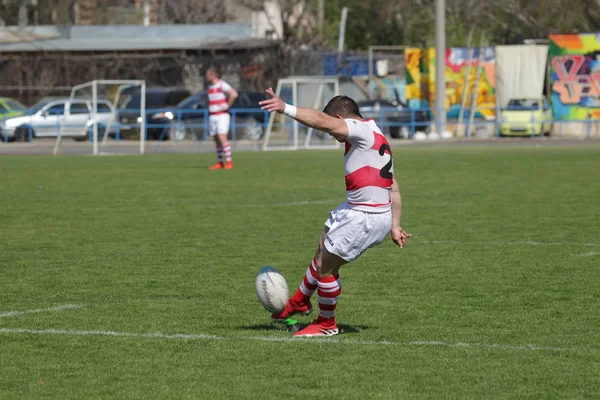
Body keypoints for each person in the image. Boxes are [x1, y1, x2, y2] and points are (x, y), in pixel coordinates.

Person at [259, 89, 411, 337]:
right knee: (323, 247)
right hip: (363, 209)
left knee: (326, 269)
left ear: (343, 118)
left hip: (365, 216)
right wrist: (394, 225)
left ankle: (326, 324)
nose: (333, 134)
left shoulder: (359, 129)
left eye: (334, 129)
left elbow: (321, 120)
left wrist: (285, 107)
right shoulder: (377, 134)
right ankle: (300, 301)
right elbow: (393, 185)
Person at [206, 67, 238, 170]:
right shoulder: (210, 87)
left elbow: (234, 94)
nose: (206, 77)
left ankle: (229, 162)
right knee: (216, 139)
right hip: (212, 115)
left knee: (222, 137)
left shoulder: (222, 84)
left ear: (212, 75)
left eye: (207, 74)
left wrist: (227, 105)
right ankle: (220, 162)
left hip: (221, 115)